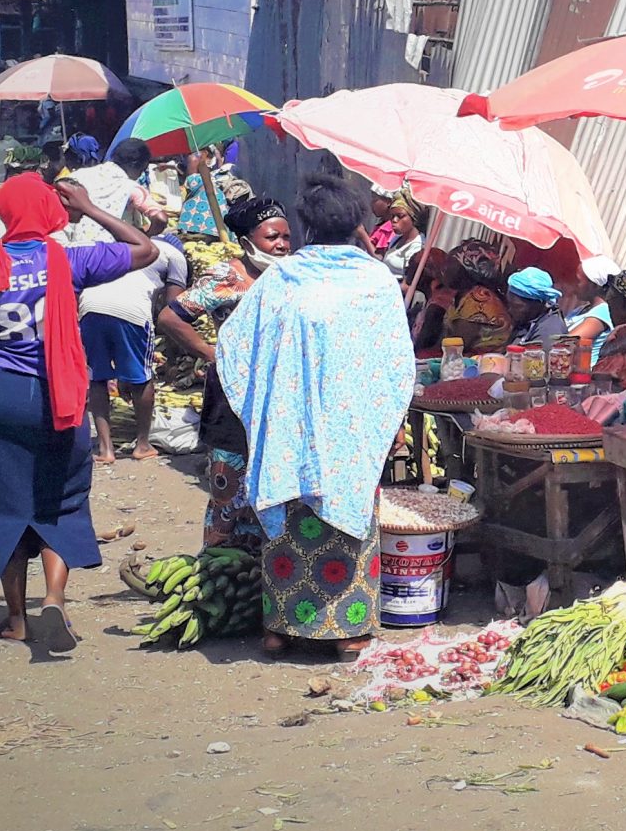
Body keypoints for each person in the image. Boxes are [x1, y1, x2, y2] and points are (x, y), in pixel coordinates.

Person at [0, 174, 154, 654]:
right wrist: (89, 209)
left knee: (4, 505)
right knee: (59, 501)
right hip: (60, 397)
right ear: (50, 212)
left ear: (4, 214)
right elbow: (145, 249)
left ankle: (17, 619)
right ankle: (54, 599)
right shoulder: (70, 261)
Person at [212, 173, 414, 657]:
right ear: (358, 224)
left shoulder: (281, 278)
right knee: (350, 512)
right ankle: (349, 629)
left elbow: (234, 344)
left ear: (305, 224)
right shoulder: (376, 280)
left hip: (290, 426)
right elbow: (396, 363)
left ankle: (280, 627)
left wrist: (268, 404)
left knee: (291, 510)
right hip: (353, 429)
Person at [155, 196, 290, 453]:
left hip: (278, 385)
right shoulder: (227, 277)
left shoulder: (289, 273)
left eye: (286, 237)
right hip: (234, 386)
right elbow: (170, 318)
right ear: (246, 242)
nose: (282, 245)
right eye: (272, 238)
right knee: (232, 464)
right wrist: (211, 354)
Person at [78, 213, 188, 462]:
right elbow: (175, 306)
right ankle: (143, 445)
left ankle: (105, 449)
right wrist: (175, 351)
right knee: (141, 376)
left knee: (97, 377)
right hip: (131, 312)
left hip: (90, 306)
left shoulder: (126, 246)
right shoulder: (175, 255)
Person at [442, 245, 514, 356]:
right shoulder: (463, 294)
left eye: (451, 265)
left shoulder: (479, 298)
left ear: (468, 269)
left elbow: (461, 342)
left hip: (484, 363)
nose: (444, 269)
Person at [559, 270, 614, 368]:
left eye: (578, 281)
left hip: (581, 374)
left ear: (594, 285)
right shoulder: (582, 309)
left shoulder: (602, 312)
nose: (575, 284)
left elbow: (568, 342)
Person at [506, 266, 568, 344]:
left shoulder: (547, 333)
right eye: (509, 304)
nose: (510, 310)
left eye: (517, 306)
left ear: (538, 303)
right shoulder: (528, 320)